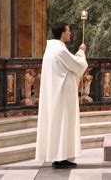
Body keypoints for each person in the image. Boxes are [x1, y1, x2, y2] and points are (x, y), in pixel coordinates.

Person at [35, 23, 88, 169]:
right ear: (62, 33)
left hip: (57, 93)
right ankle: (60, 157)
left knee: (60, 124)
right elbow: (77, 65)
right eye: (68, 31)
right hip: (62, 94)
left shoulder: (52, 49)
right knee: (63, 123)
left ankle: (61, 156)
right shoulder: (59, 51)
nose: (70, 33)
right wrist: (81, 51)